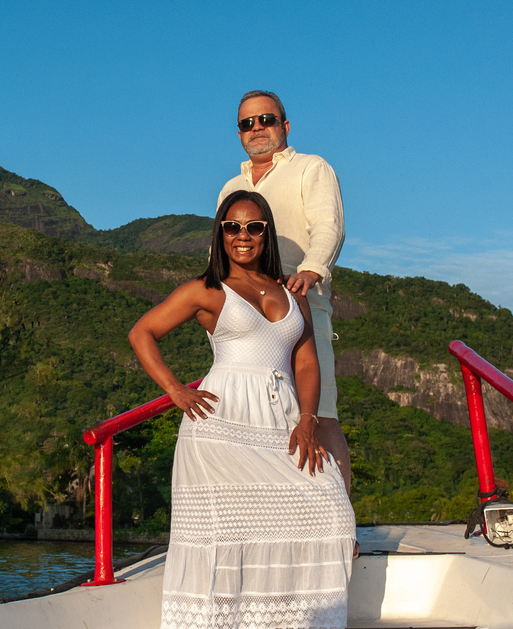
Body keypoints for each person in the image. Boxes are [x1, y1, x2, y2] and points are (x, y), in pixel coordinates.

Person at [129, 192, 354, 629]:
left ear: (266, 232)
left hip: (282, 419)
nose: (243, 236)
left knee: (332, 511)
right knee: (227, 534)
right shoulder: (207, 290)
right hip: (221, 425)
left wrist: (308, 421)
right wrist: (176, 390)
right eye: (233, 227)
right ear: (221, 234)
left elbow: (306, 361)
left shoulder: (292, 292)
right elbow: (142, 332)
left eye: (254, 227)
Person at [217, 90, 351, 494]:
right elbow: (217, 255)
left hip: (299, 306)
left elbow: (329, 226)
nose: (257, 128)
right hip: (242, 318)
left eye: (266, 120)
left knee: (320, 416)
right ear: (239, 132)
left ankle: (342, 528)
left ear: (285, 126)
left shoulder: (312, 169)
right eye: (247, 123)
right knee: (252, 421)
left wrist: (311, 271)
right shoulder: (230, 188)